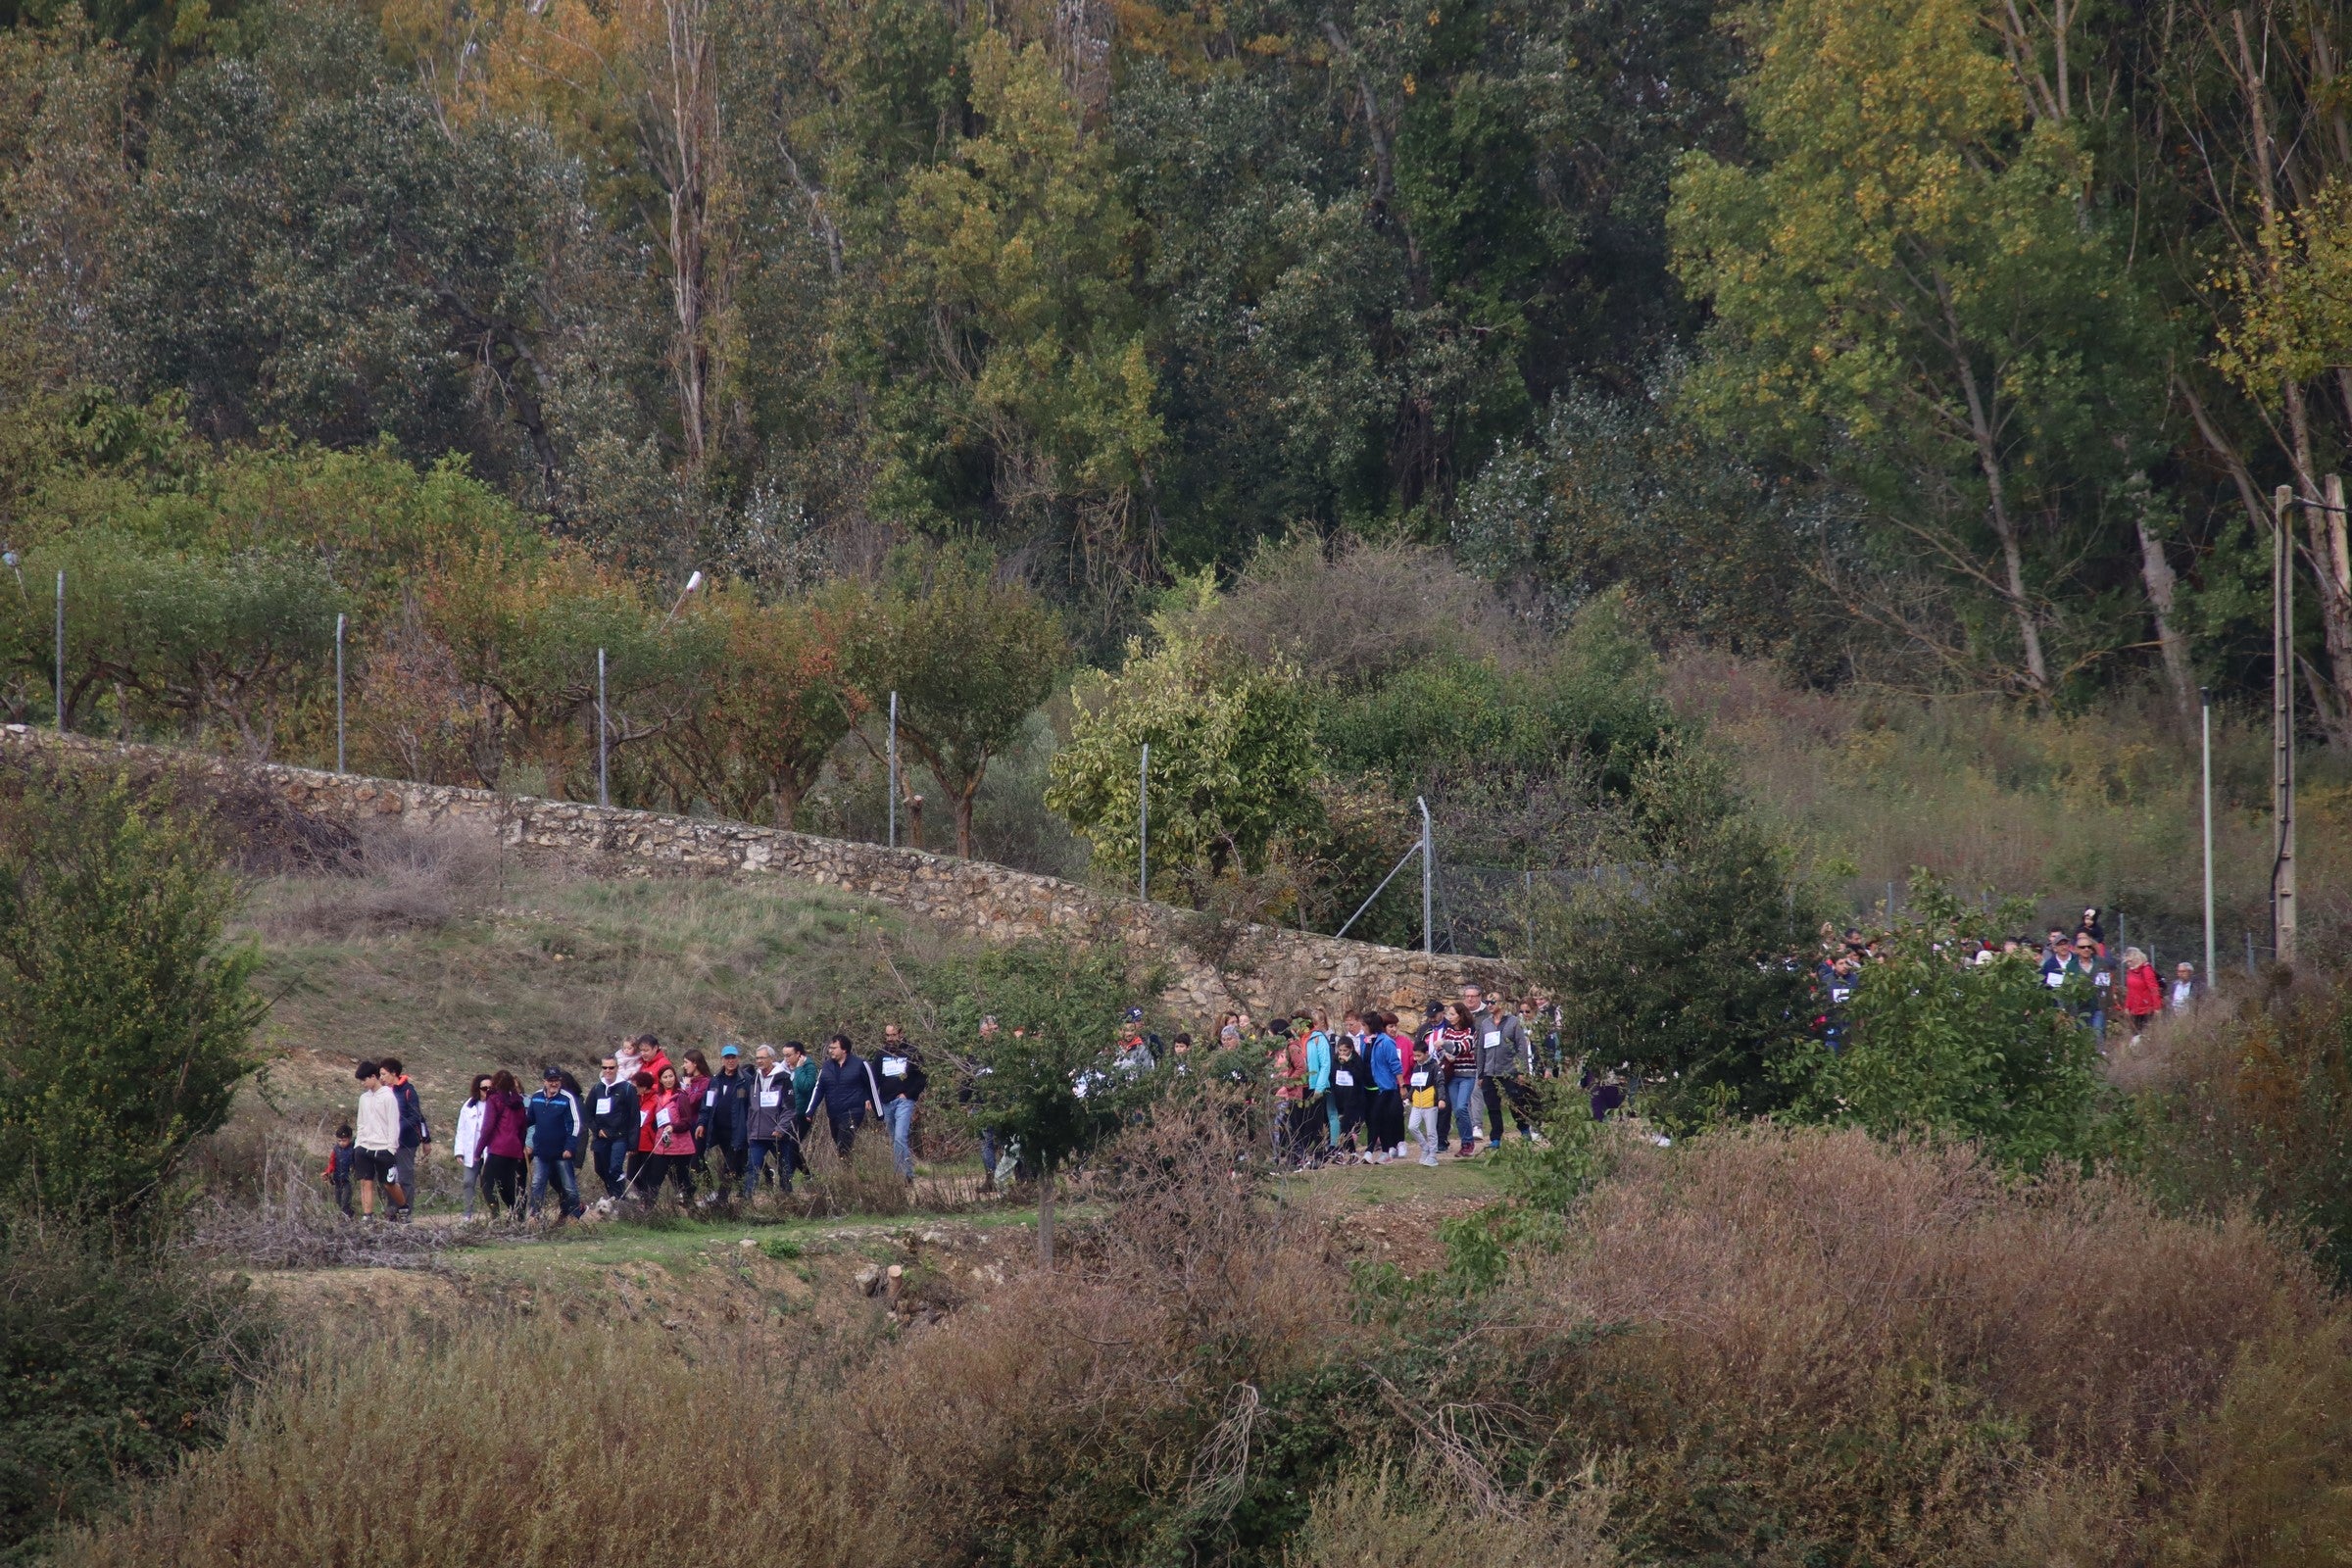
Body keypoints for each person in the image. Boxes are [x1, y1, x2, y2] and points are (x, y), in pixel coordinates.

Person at [1467, 986, 1539, 1149]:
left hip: (1510, 1071)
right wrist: (1481, 1074)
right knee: (1492, 1107)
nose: (1489, 1004)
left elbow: (1521, 1047)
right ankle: (1496, 1138)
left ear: (1502, 1003)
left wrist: (1522, 1071)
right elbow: (1480, 1049)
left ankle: (1524, 1131)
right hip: (1490, 1072)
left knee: (1516, 1104)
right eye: (1487, 1002)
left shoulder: (1514, 1022)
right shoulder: (1485, 1024)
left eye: (1493, 1001)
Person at [524, 1067, 585, 1220]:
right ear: (544, 1081)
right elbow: (529, 1119)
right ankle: (535, 1217)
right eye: (551, 1080)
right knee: (537, 1184)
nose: (554, 1083)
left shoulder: (567, 1098)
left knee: (569, 1187)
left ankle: (574, 1216)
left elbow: (575, 1124)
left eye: (557, 1080)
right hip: (541, 1151)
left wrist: (570, 1147)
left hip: (561, 1152)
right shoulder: (536, 1097)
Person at [872, 1023, 927, 1181]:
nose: (890, 1038)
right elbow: (874, 1078)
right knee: (894, 1138)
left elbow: (922, 1076)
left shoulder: (911, 1051)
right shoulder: (881, 1053)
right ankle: (908, 1172)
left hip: (904, 1101)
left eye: (893, 1035)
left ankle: (900, 1175)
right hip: (886, 1102)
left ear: (901, 1034)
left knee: (900, 1137)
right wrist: (871, 1098)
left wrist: (909, 1094)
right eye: (887, 1035)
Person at [741, 1045, 795, 1199]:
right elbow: (751, 1107)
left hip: (778, 1134)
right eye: (757, 1058)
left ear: (772, 1058)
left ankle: (787, 1199)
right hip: (757, 1134)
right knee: (752, 1167)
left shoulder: (783, 1079)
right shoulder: (753, 1080)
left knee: (784, 1168)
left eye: (762, 1058)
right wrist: (750, 1130)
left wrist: (781, 1128)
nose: (759, 1061)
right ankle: (747, 1200)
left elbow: (790, 1108)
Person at [353, 1061, 405, 1219]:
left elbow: (393, 1124)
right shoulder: (364, 1098)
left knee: (388, 1183)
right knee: (365, 1181)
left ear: (373, 1077)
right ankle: (367, 1215)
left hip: (383, 1148)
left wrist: (391, 1147)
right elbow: (360, 1122)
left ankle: (404, 1207)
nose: (363, 1084)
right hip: (364, 1146)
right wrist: (358, 1144)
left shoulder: (388, 1096)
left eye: (364, 1080)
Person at [381, 1056, 430, 1222]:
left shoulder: (408, 1091)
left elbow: (416, 1116)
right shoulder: (384, 1092)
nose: (381, 1078)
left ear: (393, 1073)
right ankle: (391, 1210)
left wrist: (425, 1138)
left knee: (404, 1178)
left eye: (384, 1074)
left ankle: (405, 1213)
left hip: (406, 1142)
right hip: (388, 1143)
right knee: (389, 1178)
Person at [816, 1034, 881, 1156]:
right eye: (830, 1048)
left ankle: (846, 1171)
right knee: (839, 1143)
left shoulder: (860, 1064)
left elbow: (871, 1085)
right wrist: (810, 1111)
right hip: (834, 1113)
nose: (830, 1051)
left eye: (834, 1048)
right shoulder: (827, 1066)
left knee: (844, 1144)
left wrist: (878, 1112)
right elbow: (819, 1089)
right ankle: (850, 1169)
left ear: (844, 1049)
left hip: (853, 1111)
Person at [642, 1064, 697, 1206]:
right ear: (660, 1080)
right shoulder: (657, 1097)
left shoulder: (681, 1096)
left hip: (681, 1147)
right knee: (654, 1179)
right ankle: (648, 1211)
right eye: (665, 1077)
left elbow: (687, 1122)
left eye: (671, 1076)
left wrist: (673, 1127)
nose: (668, 1080)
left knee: (682, 1180)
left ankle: (691, 1208)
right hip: (662, 1146)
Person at [587, 1054, 640, 1203]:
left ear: (617, 1068)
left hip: (620, 1137)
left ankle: (619, 1198)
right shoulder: (597, 1088)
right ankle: (614, 1196)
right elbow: (588, 1113)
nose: (608, 1070)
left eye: (611, 1067)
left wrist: (633, 1142)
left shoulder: (628, 1088)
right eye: (605, 1067)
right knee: (600, 1169)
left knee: (615, 1167)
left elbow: (634, 1116)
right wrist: (596, 1129)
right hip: (601, 1137)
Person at [476, 1070, 528, 1217]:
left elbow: (488, 1127)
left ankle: (495, 1213)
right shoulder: (519, 1103)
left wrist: (478, 1151)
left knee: (487, 1184)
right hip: (514, 1150)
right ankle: (518, 1215)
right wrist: (520, 1147)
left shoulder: (494, 1099)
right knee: (507, 1186)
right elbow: (523, 1128)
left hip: (498, 1149)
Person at [1435, 1003, 1481, 1156]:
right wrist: (1446, 1052)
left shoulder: (1471, 1030)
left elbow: (1463, 1046)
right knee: (1457, 1111)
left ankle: (1468, 1142)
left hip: (1467, 1075)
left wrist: (1446, 1045)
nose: (1450, 1017)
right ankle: (1465, 1143)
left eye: (1453, 1014)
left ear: (1461, 1015)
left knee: (1462, 1107)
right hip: (1452, 1076)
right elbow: (1441, 1051)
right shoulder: (1448, 1031)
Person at [707, 1045, 751, 1192]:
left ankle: (722, 1197)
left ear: (738, 1059)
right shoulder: (715, 1080)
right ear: (722, 1060)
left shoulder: (746, 1080)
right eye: (727, 1058)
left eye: (733, 1058)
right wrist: (702, 1123)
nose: (730, 1061)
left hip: (737, 1129)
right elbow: (707, 1103)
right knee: (736, 1163)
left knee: (731, 1163)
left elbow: (750, 1106)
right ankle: (742, 1191)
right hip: (719, 1130)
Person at [1366, 1015, 1403, 1165]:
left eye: (1364, 1025)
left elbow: (1395, 1064)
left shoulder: (1386, 1042)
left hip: (1388, 1087)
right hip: (1378, 1087)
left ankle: (1383, 1151)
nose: (1363, 1028)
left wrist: (1401, 1085)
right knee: (1379, 1119)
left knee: (1379, 1118)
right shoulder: (1371, 1041)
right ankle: (1385, 1151)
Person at [453, 1074, 491, 1220]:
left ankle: (492, 1214)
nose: (487, 1090)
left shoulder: (495, 1104)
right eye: (484, 1088)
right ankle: (467, 1214)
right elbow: (461, 1129)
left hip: (490, 1151)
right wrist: (459, 1151)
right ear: (478, 1088)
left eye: (490, 1088)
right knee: (468, 1182)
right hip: (472, 1151)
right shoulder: (469, 1105)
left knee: (488, 1184)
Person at [1328, 1032, 1369, 1155]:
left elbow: (1359, 1076)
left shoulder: (1356, 1060)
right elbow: (1333, 1076)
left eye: (1345, 1050)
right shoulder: (1335, 1060)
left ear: (1351, 1049)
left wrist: (1348, 1063)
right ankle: (1349, 1151)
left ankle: (1348, 1151)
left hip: (1353, 1098)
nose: (1342, 1053)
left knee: (1346, 1124)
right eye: (1340, 1050)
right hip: (1340, 1097)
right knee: (1344, 1125)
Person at [677, 1050, 714, 1185]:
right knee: (687, 1161)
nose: (684, 1066)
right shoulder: (688, 1080)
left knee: (696, 1159)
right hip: (687, 1127)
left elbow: (691, 1101)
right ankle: (688, 1191)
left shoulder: (706, 1082)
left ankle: (709, 1191)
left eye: (686, 1062)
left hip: (699, 1126)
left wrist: (686, 1087)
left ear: (695, 1063)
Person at [1404, 1038, 1441, 1167]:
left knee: (1431, 1131)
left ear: (1426, 1054)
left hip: (1430, 1104)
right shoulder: (1416, 1067)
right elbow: (1414, 1084)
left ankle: (1432, 1155)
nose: (1416, 1058)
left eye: (1419, 1055)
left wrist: (1441, 1099)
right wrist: (1409, 1097)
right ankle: (1425, 1148)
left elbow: (1440, 1084)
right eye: (1414, 1056)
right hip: (1417, 1104)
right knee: (1412, 1127)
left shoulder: (1434, 1067)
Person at [2121, 947, 2162, 1045]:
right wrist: (2127, 1006)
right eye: (2127, 962)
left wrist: (2157, 1007)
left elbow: (2153, 989)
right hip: (2135, 1009)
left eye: (2130, 961)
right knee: (2136, 1034)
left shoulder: (2146, 970)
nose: (2128, 964)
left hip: (2146, 1008)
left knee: (2145, 1034)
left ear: (2136, 958)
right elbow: (2130, 990)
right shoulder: (2130, 972)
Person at [323, 1124, 357, 1217]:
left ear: (350, 1139)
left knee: (345, 1201)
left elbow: (356, 1164)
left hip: (348, 1180)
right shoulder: (336, 1149)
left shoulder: (353, 1149)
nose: (341, 1143)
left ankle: (347, 1216)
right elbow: (332, 1162)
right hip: (337, 1179)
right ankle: (346, 1214)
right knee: (338, 1200)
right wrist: (328, 1172)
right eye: (339, 1140)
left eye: (344, 1140)